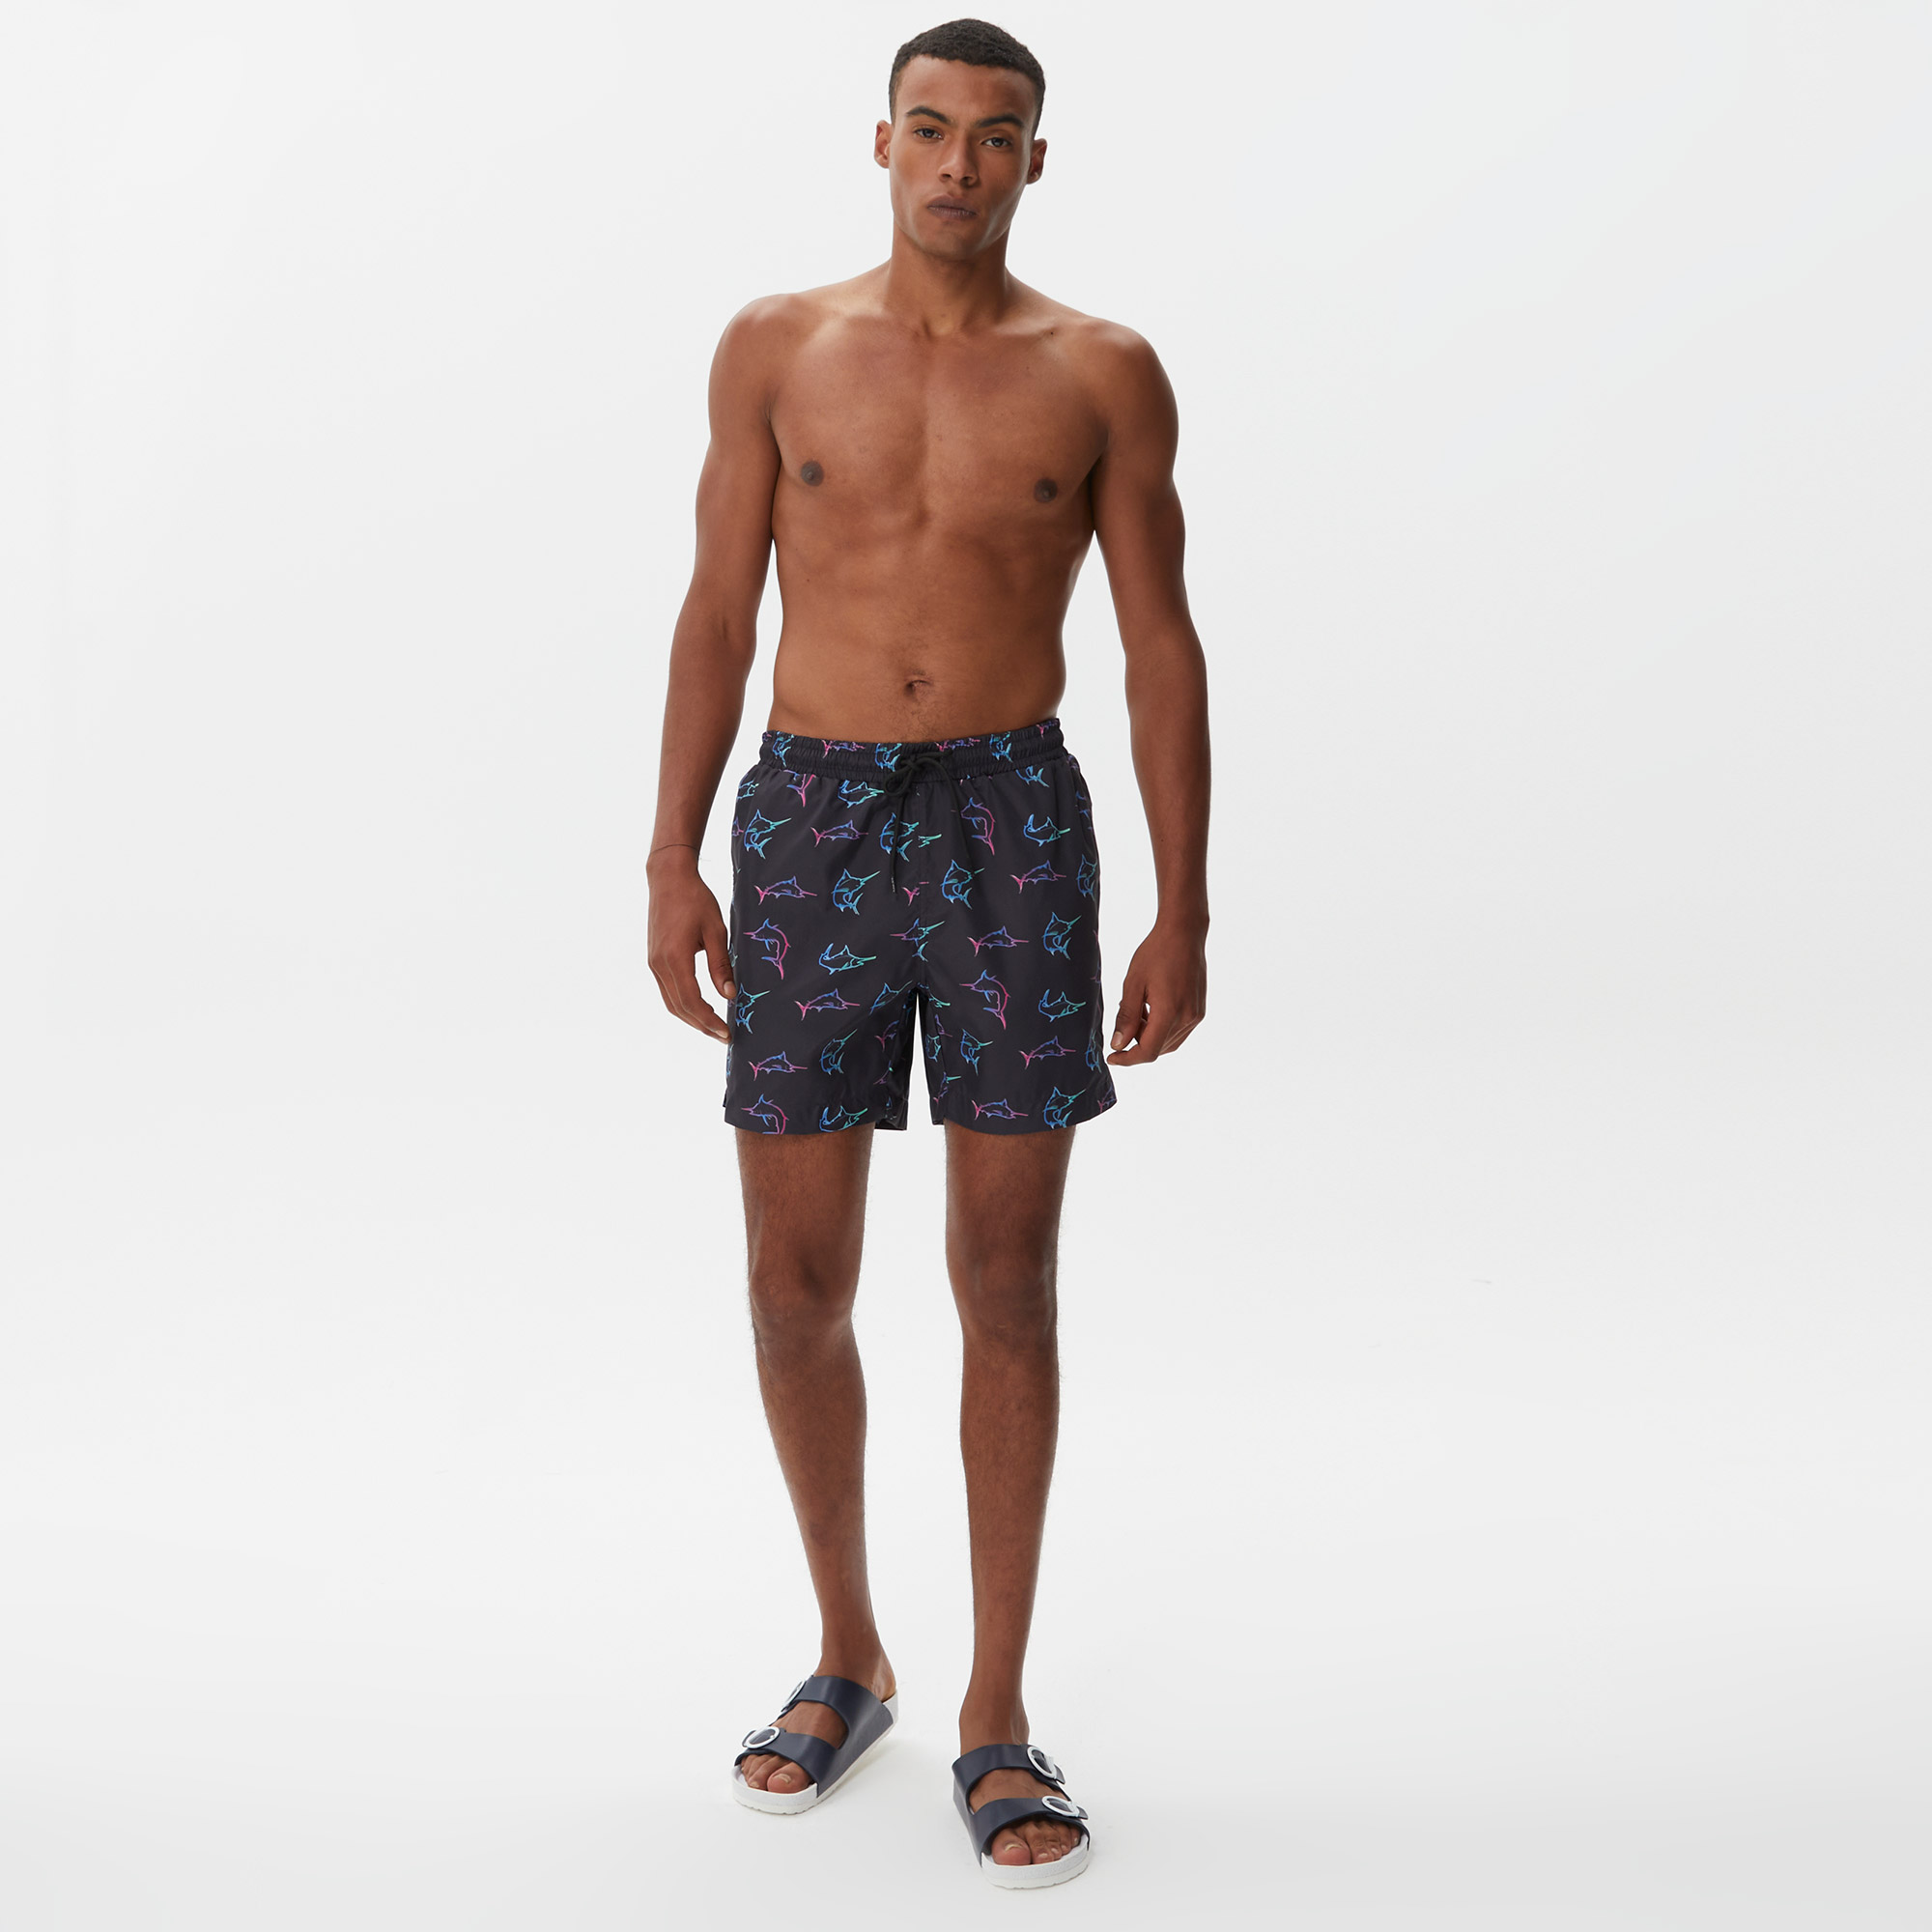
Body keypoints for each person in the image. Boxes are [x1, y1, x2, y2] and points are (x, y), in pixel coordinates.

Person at [645, 17, 1209, 1890]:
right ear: (878, 142)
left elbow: (1159, 646)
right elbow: (716, 611)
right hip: (809, 818)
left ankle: (994, 1708)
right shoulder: (775, 347)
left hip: (1009, 822)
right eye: (930, 128)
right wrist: (669, 853)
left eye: (995, 135)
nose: (958, 163)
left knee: (1007, 1278)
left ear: (1037, 160)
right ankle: (848, 1653)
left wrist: (1184, 901)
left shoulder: (1101, 371)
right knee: (793, 1279)